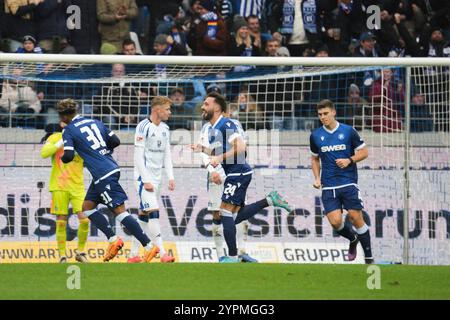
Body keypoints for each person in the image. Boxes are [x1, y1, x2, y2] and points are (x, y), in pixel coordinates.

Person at [190, 92, 292, 263]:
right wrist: (204, 150)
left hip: (238, 172)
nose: (202, 106)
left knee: (224, 211)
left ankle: (232, 256)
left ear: (217, 107)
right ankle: (270, 200)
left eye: (206, 104)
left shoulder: (226, 123)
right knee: (234, 216)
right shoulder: (214, 128)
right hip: (236, 172)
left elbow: (241, 147)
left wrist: (219, 159)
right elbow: (220, 151)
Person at [57, 98, 158, 262]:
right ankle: (113, 239)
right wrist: (101, 151)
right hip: (107, 169)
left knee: (120, 212)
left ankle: (149, 246)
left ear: (63, 116)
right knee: (87, 207)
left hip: (103, 173)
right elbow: (115, 141)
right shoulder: (95, 122)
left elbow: (68, 155)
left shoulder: (68, 129)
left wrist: (65, 159)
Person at [309, 99, 373, 264]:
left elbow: (364, 152)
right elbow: (315, 159)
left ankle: (369, 259)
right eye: (320, 114)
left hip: (348, 182)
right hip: (328, 185)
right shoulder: (315, 135)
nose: (323, 117)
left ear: (333, 112)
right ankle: (352, 240)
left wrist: (349, 160)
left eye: (325, 113)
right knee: (336, 222)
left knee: (355, 217)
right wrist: (316, 178)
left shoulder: (348, 131)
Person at [197, 104, 259, 262]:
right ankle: (221, 255)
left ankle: (241, 252)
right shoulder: (207, 127)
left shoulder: (235, 124)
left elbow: (242, 148)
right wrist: (212, 171)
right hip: (217, 174)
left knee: (238, 210)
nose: (228, 113)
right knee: (218, 213)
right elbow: (204, 151)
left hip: (234, 173)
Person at [128, 96, 176, 263]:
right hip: (143, 178)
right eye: (167, 109)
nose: (170, 112)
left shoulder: (165, 128)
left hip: (158, 178)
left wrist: (170, 176)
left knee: (143, 216)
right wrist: (145, 179)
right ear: (157, 109)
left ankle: (133, 254)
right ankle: (162, 253)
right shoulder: (143, 127)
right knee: (153, 211)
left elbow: (167, 154)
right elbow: (138, 156)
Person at [40, 122, 89, 263]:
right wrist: (62, 141)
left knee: (85, 220)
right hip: (59, 185)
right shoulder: (55, 137)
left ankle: (80, 252)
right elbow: (44, 153)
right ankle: (62, 256)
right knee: (61, 221)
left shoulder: (81, 138)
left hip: (77, 186)